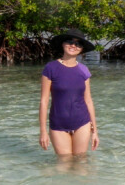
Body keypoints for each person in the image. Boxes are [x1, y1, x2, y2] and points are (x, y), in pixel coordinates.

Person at [39, 28, 99, 159]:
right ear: (62, 43)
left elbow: (88, 100)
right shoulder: (50, 68)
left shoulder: (84, 70)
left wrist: (95, 131)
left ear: (82, 49)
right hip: (58, 125)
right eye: (70, 41)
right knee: (63, 166)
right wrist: (43, 131)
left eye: (78, 44)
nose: (73, 45)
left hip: (82, 123)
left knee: (81, 164)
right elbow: (44, 101)